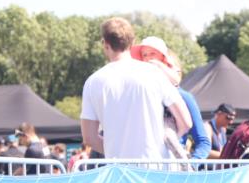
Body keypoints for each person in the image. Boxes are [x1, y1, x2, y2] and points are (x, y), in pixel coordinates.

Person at [80, 18, 191, 161]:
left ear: (105, 44)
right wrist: (164, 144)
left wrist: (114, 153)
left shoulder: (92, 82)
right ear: (132, 43)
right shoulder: (154, 73)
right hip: (156, 167)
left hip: (118, 170)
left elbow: (89, 137)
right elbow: (186, 122)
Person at [131, 36, 212, 160]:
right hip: (144, 164)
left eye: (153, 54)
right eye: (145, 55)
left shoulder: (184, 96)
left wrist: (190, 166)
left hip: (173, 166)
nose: (148, 59)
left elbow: (203, 142)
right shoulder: (138, 93)